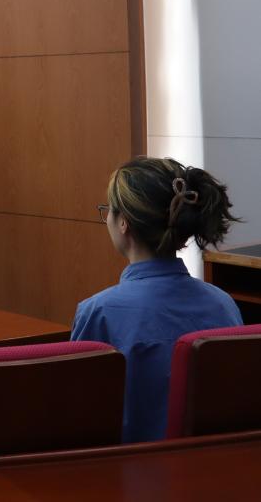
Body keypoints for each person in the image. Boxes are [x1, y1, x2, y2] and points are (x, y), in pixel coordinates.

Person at [72, 157, 242, 443]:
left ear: (123, 222)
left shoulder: (98, 312)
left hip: (124, 467)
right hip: (214, 463)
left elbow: (77, 417)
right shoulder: (224, 304)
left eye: (108, 210)